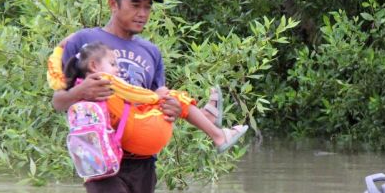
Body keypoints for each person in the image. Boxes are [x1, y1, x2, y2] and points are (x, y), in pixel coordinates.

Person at [50, 0, 235, 193]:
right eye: (135, 5)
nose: (143, 13)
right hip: (102, 158)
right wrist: (81, 91)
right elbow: (57, 101)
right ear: (113, 4)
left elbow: (153, 103)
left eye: (148, 6)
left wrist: (172, 110)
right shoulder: (86, 41)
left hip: (141, 161)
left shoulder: (151, 52)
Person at [63, 41, 247, 155]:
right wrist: (155, 96)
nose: (117, 69)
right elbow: (134, 93)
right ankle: (218, 135)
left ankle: (207, 119)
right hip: (142, 132)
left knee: (167, 100)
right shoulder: (105, 80)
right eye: (112, 64)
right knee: (172, 96)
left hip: (128, 140)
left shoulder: (82, 86)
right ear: (94, 65)